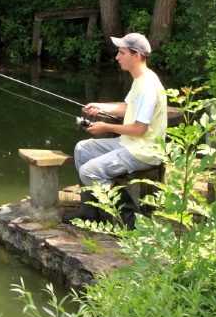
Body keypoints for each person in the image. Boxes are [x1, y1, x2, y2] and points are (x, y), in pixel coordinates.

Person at [71, 33, 166, 228]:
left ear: (136, 56)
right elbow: (126, 109)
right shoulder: (140, 79)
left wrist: (105, 127)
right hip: (130, 144)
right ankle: (90, 211)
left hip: (144, 152)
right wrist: (100, 107)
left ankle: (129, 221)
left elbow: (139, 130)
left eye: (122, 53)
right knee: (82, 149)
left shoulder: (148, 87)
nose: (117, 57)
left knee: (89, 171)